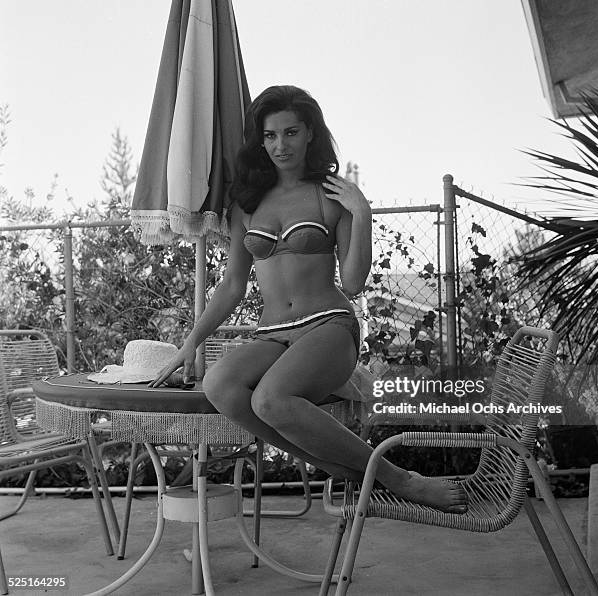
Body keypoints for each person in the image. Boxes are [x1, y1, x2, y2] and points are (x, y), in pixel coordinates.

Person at [151, 85, 467, 513]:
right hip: (273, 333)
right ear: (258, 141)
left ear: (311, 134)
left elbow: (354, 283)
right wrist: (192, 341)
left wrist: (362, 213)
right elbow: (232, 285)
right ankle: (342, 466)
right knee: (219, 385)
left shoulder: (331, 195)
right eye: (270, 136)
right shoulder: (247, 204)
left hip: (328, 327)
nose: (281, 145)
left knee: (269, 401)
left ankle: (399, 479)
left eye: (291, 132)